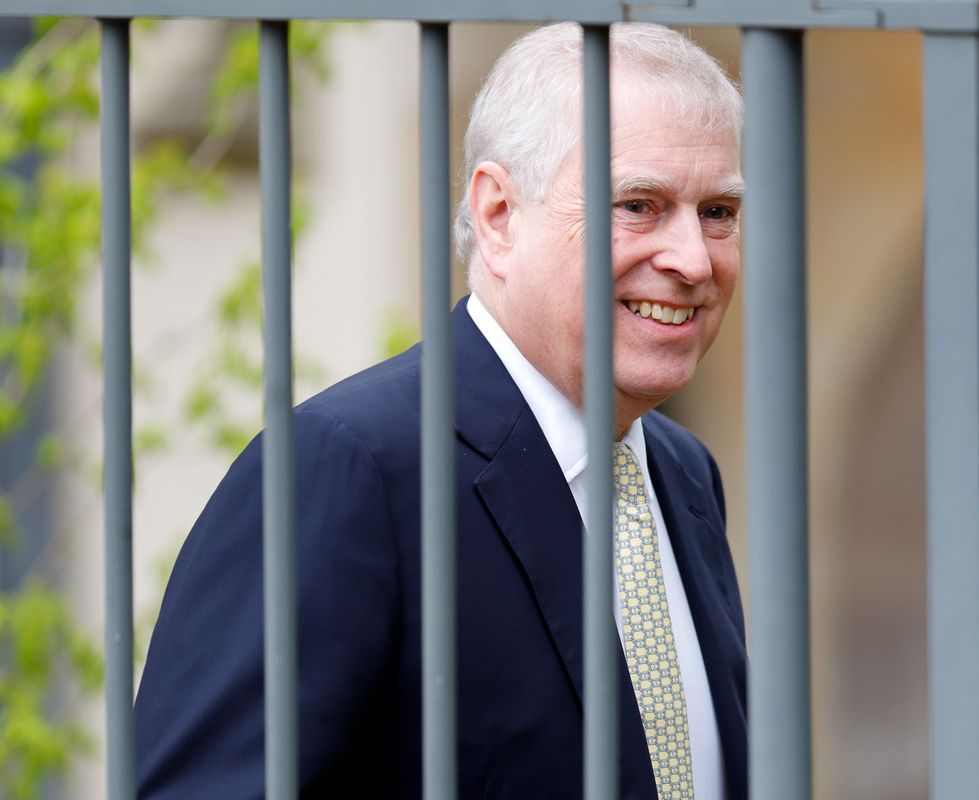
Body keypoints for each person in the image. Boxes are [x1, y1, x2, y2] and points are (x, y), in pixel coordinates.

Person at [135, 22, 746, 799]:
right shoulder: (348, 468)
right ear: (497, 215)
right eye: (640, 205)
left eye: (718, 212)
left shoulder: (683, 473)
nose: (693, 259)